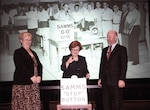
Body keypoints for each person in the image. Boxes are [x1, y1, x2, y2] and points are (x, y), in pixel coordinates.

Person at [11, 32, 43, 110]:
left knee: (34, 105)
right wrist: (31, 76)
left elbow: (39, 65)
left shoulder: (33, 52)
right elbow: (20, 66)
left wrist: (39, 76)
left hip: (33, 84)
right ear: (21, 40)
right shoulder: (18, 52)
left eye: (30, 40)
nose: (28, 41)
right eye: (26, 40)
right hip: (23, 85)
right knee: (24, 106)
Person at [97, 30, 128, 110]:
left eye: (110, 37)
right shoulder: (104, 50)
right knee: (106, 104)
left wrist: (122, 79)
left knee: (118, 104)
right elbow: (102, 65)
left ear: (116, 37)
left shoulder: (121, 49)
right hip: (105, 82)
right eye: (107, 37)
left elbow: (123, 65)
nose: (108, 39)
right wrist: (100, 78)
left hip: (116, 82)